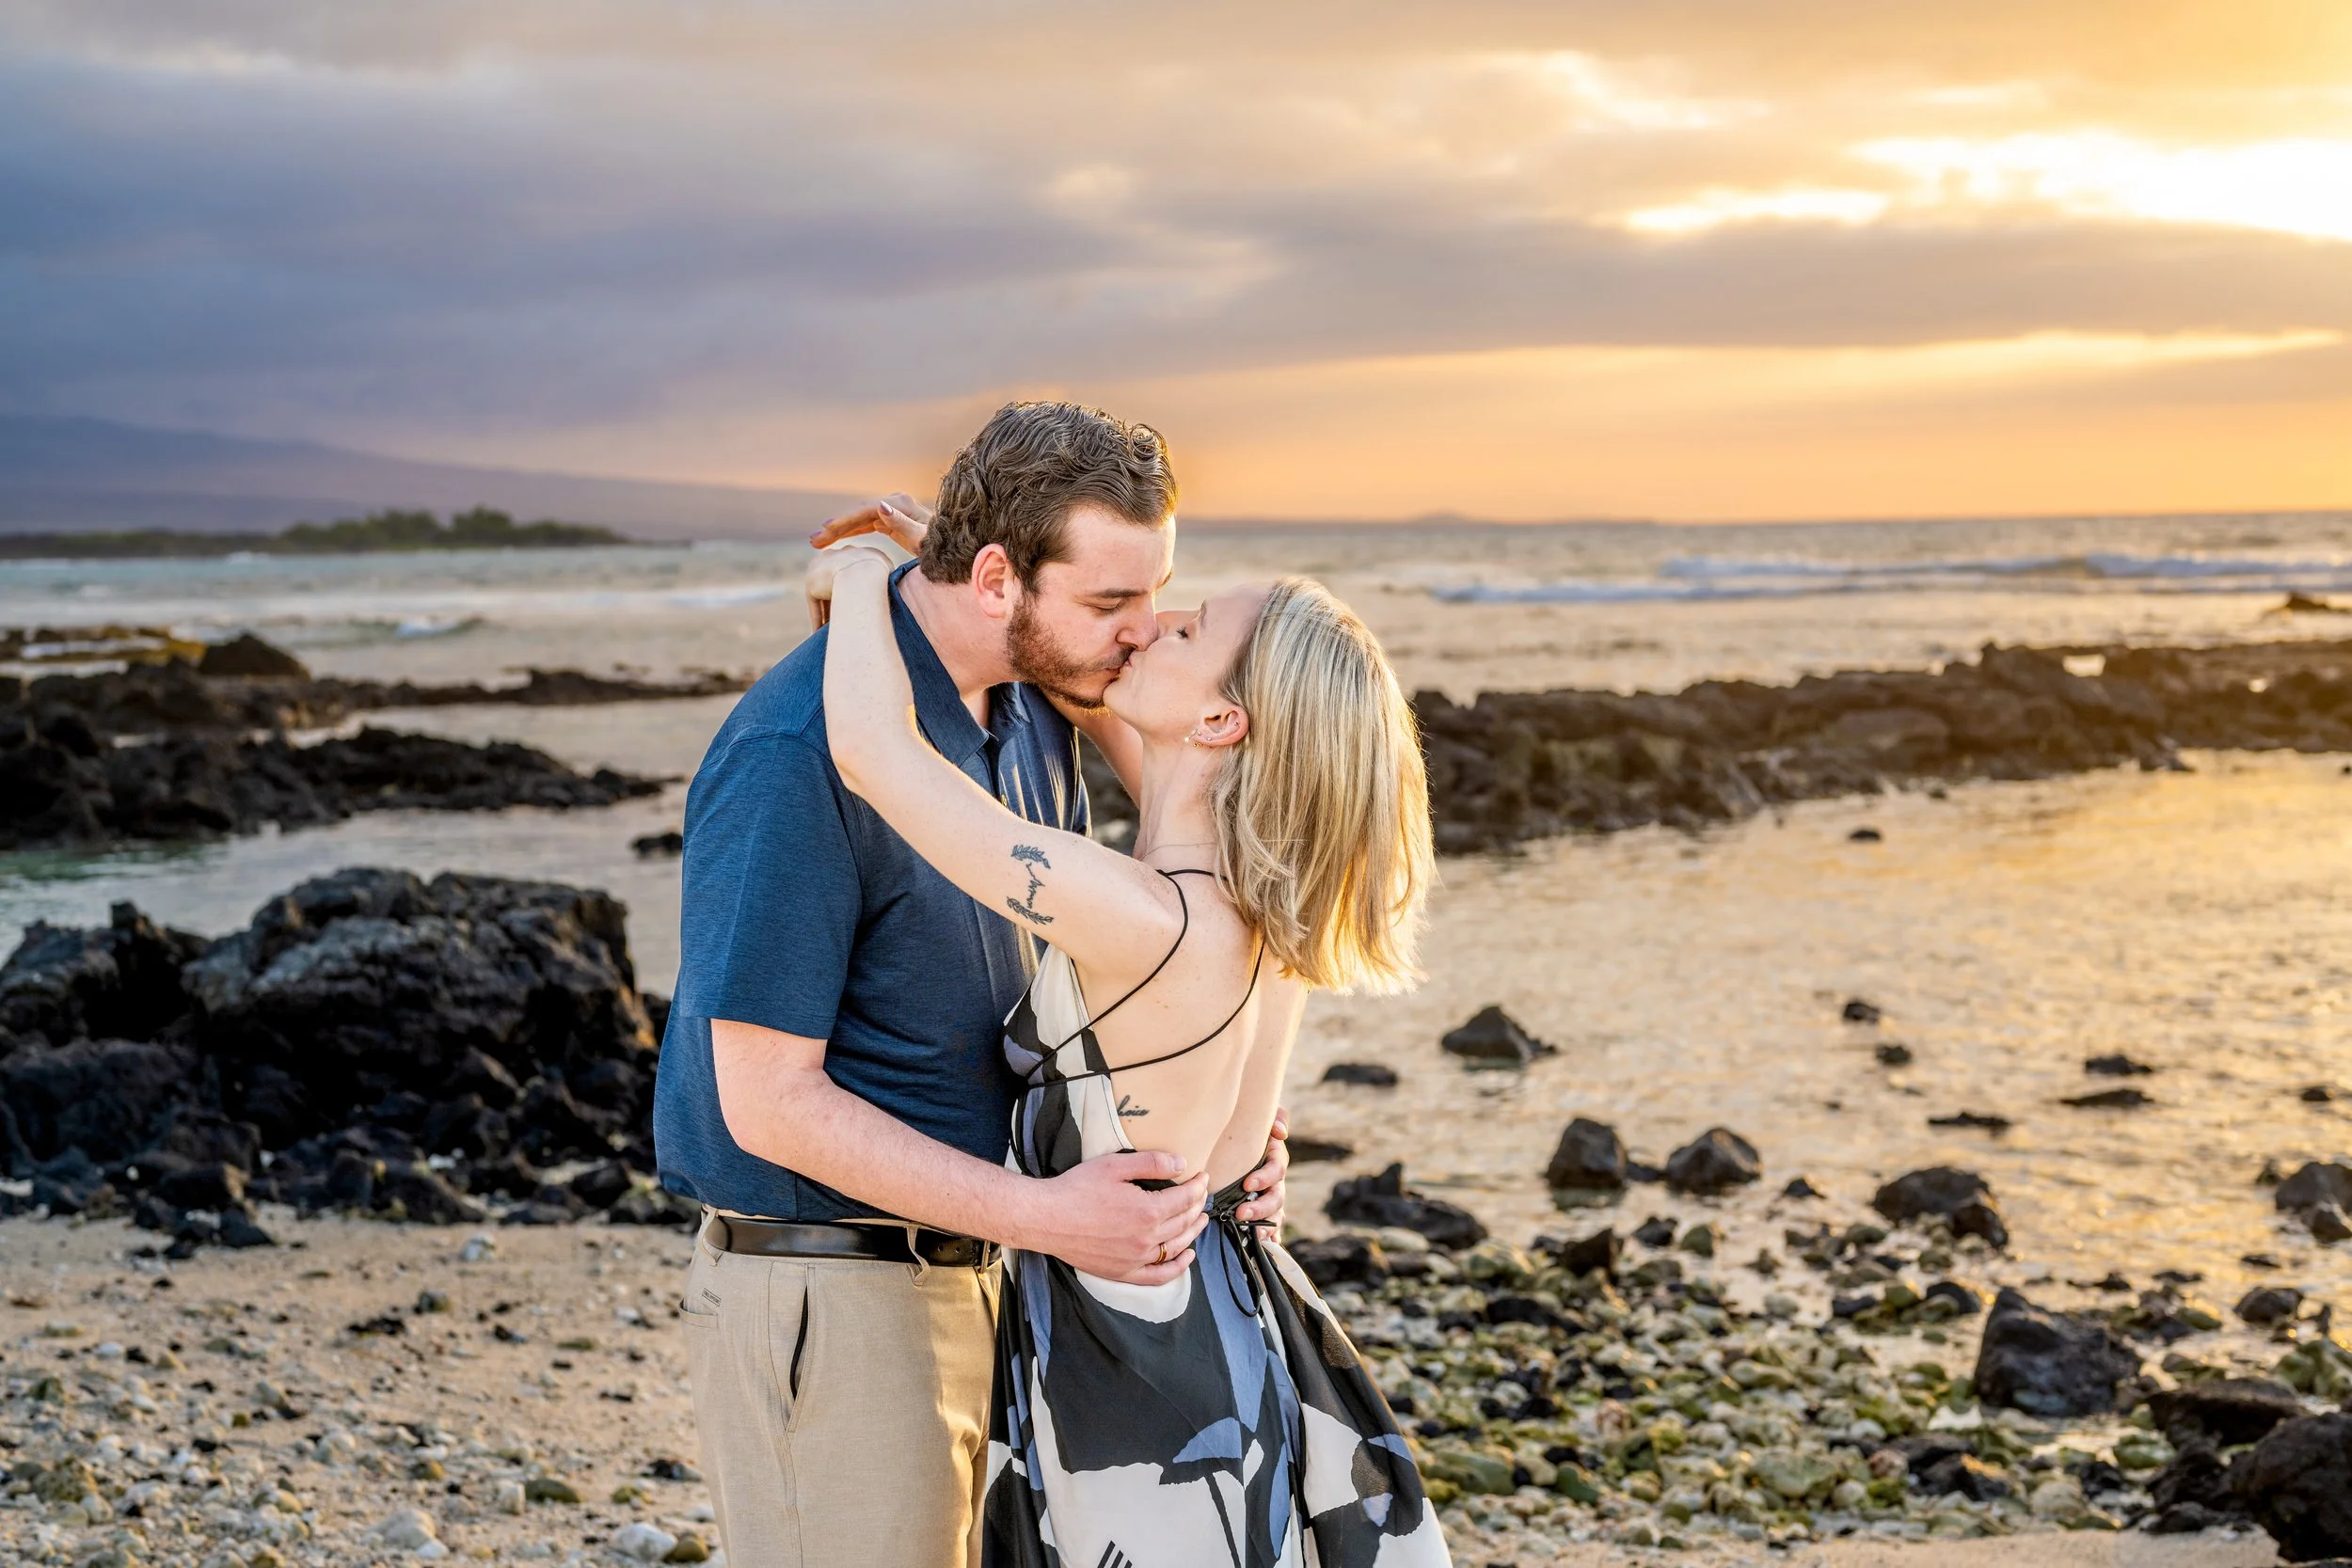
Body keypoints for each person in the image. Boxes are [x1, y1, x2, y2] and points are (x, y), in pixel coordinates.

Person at [653, 402, 1291, 1568]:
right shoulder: (798, 752)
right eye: (1108, 603)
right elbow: (766, 1101)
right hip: (836, 1295)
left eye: (1154, 597)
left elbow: (1177, 926)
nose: (1141, 634)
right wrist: (1053, 1215)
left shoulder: (1036, 707)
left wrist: (1214, 1131)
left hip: (998, 1276)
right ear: (997, 577)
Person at [818, 517, 1452, 1564]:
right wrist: (994, 581)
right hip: (1226, 1332)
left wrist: (856, 581)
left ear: (1219, 716)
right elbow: (1117, 715)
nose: (1149, 626)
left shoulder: (1135, 916)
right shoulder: (1270, 912)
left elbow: (873, 754)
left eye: (1184, 625)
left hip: (1135, 1379)